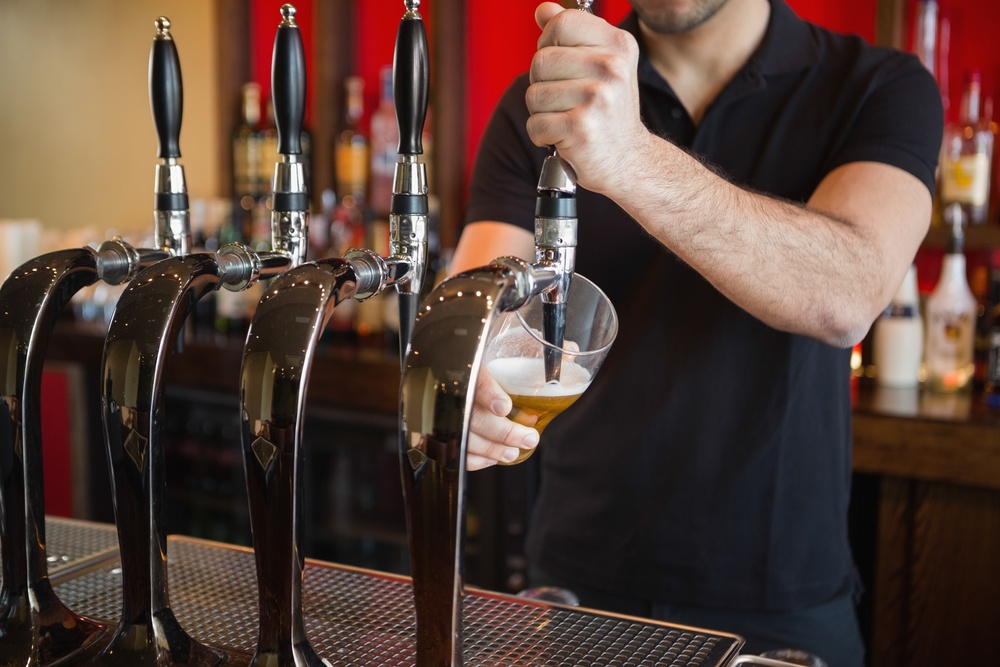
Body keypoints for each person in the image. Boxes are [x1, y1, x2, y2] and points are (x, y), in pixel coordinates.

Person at [449, 1, 943, 665]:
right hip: (579, 586)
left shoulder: (878, 85)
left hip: (781, 602)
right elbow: (479, 302)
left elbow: (849, 292)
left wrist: (630, 157)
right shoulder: (553, 95)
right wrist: (464, 369)